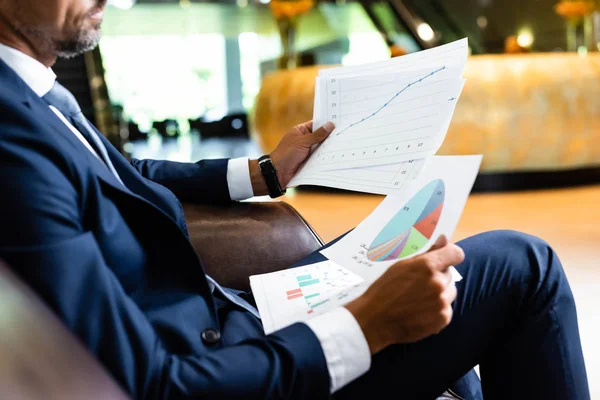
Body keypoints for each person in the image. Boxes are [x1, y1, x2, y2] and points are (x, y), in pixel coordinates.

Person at [0, 1, 590, 399]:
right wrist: (367, 323)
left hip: (232, 312)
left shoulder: (36, 98)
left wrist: (262, 172)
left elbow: (125, 173)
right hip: (228, 360)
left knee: (427, 277)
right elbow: (154, 385)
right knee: (523, 265)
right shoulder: (11, 142)